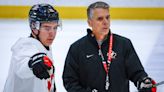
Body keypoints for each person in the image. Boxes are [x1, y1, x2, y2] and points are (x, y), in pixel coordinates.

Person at [62, 1, 156, 92]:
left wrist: (143, 81)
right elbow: (69, 81)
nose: (105, 22)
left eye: (107, 17)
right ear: (90, 23)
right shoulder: (77, 48)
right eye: (100, 19)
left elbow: (136, 72)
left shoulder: (123, 44)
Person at [3, 3, 61, 92]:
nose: (52, 33)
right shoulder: (24, 46)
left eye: (55, 28)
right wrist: (32, 64)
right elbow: (22, 68)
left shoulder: (44, 46)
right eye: (47, 28)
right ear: (34, 27)